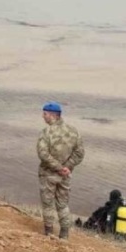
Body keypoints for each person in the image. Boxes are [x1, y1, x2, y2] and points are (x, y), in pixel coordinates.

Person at [37, 101, 85, 239]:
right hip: (65, 175)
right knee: (63, 205)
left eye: (44, 114)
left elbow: (43, 154)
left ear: (52, 115)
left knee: (48, 205)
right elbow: (80, 153)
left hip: (48, 174)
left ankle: (49, 233)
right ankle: (64, 234)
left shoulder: (46, 132)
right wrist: (67, 167)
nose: (43, 116)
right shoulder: (73, 131)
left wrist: (58, 168)